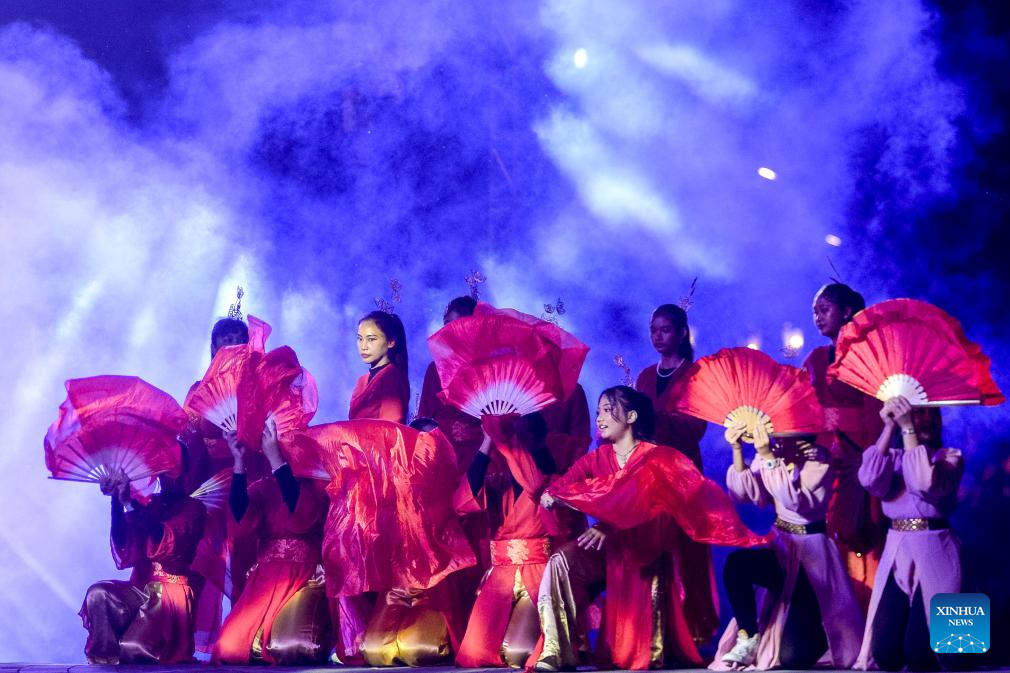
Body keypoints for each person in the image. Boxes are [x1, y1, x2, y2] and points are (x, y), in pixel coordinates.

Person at [536, 387, 708, 670]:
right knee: (560, 562)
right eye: (598, 411)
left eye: (607, 410)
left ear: (631, 416)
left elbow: (662, 510)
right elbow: (563, 485)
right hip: (608, 552)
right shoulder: (597, 458)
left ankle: (646, 647)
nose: (599, 417)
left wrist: (610, 525)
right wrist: (554, 496)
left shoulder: (656, 457)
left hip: (644, 551)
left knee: (646, 557)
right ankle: (556, 650)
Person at [711, 423, 863, 670]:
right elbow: (744, 494)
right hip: (782, 547)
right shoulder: (774, 454)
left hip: (813, 559)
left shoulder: (819, 460)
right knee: (737, 563)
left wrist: (770, 458)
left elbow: (793, 502)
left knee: (795, 657)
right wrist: (737, 449)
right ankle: (748, 636)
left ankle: (822, 634)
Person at [855, 397, 963, 671]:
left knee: (927, 655)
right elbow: (868, 480)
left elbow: (923, 483)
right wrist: (889, 427)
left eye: (931, 414)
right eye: (917, 414)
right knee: (885, 654)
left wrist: (908, 431)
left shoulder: (950, 457)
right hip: (898, 549)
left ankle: (961, 650)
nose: (925, 420)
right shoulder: (893, 458)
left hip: (937, 548)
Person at [212, 420, 331, 664]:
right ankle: (265, 639)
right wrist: (238, 462)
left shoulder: (317, 484)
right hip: (265, 578)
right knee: (229, 649)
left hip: (305, 576)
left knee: (292, 647)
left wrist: (277, 460)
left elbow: (302, 518)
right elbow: (240, 522)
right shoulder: (262, 488)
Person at [634, 303, 718, 645]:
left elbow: (696, 427)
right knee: (649, 547)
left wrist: (655, 421)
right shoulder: (643, 377)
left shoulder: (696, 376)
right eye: (653, 329)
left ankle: (690, 633)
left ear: (682, 333)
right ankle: (651, 633)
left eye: (665, 329)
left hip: (683, 474)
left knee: (685, 550)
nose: (657, 336)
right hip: (647, 473)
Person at [80, 448, 207, 664]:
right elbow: (124, 542)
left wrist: (130, 502)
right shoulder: (150, 503)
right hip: (139, 588)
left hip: (170, 595)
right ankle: (104, 662)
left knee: (135, 649)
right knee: (98, 594)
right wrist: (116, 502)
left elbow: (165, 539)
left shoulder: (194, 509)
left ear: (185, 471)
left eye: (175, 468)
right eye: (165, 468)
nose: (170, 475)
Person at [453, 413, 560, 668]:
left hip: (536, 577)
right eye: (511, 435)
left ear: (539, 439)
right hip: (500, 577)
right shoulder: (498, 481)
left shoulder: (550, 480)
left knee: (517, 653)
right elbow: (461, 504)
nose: (514, 443)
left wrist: (509, 444)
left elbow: (533, 484)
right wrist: (488, 440)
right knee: (475, 654)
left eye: (522, 436)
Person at [804, 283, 885, 610]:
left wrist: (872, 455)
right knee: (825, 532)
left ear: (847, 311)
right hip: (822, 457)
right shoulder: (814, 358)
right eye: (815, 311)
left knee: (863, 528)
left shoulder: (869, 354)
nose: (817, 317)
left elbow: (874, 411)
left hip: (858, 452)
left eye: (824, 310)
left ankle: (872, 615)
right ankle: (836, 621)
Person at [350, 310, 410, 423]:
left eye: (371, 339)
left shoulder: (392, 377)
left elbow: (391, 426)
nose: (363, 346)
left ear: (391, 342)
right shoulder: (361, 381)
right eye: (360, 338)